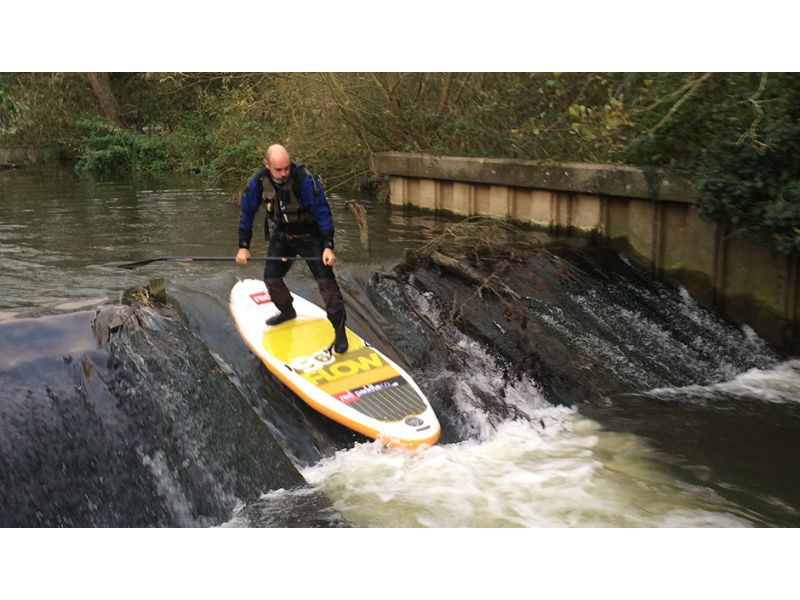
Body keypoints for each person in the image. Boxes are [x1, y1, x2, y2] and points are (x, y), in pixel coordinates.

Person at [235, 144, 348, 353]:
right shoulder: (258, 182)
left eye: (286, 168)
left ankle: (340, 331)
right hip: (282, 235)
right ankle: (287, 312)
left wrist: (328, 246)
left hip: (310, 236)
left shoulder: (303, 179)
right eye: (278, 169)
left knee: (327, 285)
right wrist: (243, 246)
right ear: (267, 165)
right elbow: (247, 214)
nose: (283, 173)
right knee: (271, 278)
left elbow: (323, 212)